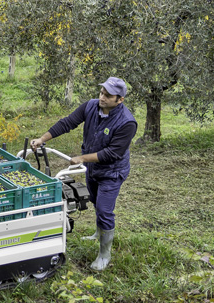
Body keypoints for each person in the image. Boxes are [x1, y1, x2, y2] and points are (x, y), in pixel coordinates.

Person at [29, 77, 137, 271]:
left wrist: (83, 158)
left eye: (107, 95)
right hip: (94, 169)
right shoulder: (91, 106)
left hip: (112, 172)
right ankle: (99, 232)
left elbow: (113, 153)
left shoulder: (127, 122)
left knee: (104, 210)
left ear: (119, 99)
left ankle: (105, 254)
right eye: (101, 92)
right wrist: (42, 139)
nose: (102, 97)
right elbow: (68, 122)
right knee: (95, 200)